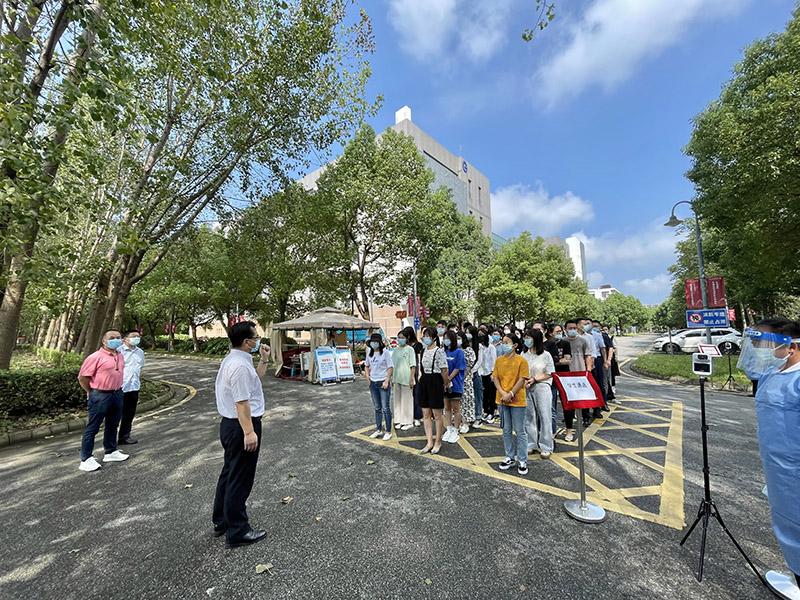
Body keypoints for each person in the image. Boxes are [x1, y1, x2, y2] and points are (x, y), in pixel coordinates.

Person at [737, 319, 800, 591]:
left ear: (792, 346)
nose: (757, 350)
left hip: (795, 470)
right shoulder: (773, 373)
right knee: (788, 528)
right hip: (778, 470)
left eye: (763, 345)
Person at [212, 321, 271, 548]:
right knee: (240, 478)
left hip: (232, 425)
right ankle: (237, 530)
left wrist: (264, 359)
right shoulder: (240, 367)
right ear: (247, 342)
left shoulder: (235, 360)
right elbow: (242, 402)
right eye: (256, 338)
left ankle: (222, 520)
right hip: (241, 425)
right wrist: (249, 432)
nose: (258, 340)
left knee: (229, 473)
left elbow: (254, 382)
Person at [77, 329, 129, 472]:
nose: (116, 340)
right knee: (92, 427)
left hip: (117, 393)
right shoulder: (95, 357)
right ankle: (86, 458)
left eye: (118, 337)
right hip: (100, 395)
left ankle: (110, 451)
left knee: (113, 424)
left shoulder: (120, 355)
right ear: (104, 341)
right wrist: (91, 392)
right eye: (112, 338)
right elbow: (82, 377)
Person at [492, 332, 529, 475]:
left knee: (520, 431)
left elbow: (522, 379)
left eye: (507, 342)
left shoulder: (521, 360)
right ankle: (509, 456)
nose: (504, 344)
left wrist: (511, 394)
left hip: (517, 399)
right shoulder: (499, 360)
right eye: (503, 341)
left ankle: (522, 459)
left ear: (514, 345)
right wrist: (503, 393)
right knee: (506, 430)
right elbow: (495, 377)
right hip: (502, 399)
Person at [522, 329, 555, 459]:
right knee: (529, 417)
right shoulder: (523, 354)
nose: (526, 340)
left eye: (529, 337)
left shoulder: (545, 355)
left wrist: (535, 379)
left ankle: (546, 446)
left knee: (545, 416)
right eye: (525, 337)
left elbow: (550, 372)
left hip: (542, 386)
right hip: (526, 387)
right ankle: (531, 444)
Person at [418, 327, 449, 454]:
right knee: (426, 413)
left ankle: (437, 442)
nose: (425, 338)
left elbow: (444, 369)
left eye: (428, 336)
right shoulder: (423, 350)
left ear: (434, 337)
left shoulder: (439, 351)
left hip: (436, 381)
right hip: (425, 380)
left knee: (437, 414)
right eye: (424, 335)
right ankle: (429, 442)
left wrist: (445, 383)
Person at [563, 320, 592, 440]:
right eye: (570, 328)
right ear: (565, 329)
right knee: (569, 404)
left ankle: (585, 418)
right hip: (566, 377)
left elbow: (588, 356)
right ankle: (569, 430)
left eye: (574, 328)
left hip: (580, 375)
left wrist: (588, 371)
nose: (572, 330)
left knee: (583, 401)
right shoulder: (563, 342)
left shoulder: (582, 341)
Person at [118, 329, 145, 445]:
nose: (136, 338)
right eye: (133, 336)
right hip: (120, 387)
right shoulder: (118, 352)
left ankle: (124, 437)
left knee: (129, 414)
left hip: (134, 387)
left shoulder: (140, 352)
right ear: (125, 339)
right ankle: (109, 440)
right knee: (115, 414)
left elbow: (140, 367)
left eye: (138, 336)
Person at [365, 332, 394, 441]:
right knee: (377, 407)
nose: (374, 344)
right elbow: (366, 366)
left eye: (376, 342)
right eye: (372, 342)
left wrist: (387, 380)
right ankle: (378, 429)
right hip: (373, 382)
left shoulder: (385, 353)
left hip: (382, 382)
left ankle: (388, 431)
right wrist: (367, 377)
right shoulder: (369, 353)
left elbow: (390, 367)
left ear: (380, 343)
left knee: (385, 408)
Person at [442, 330, 466, 443]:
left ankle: (456, 429)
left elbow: (458, 367)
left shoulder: (459, 352)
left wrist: (449, 378)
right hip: (445, 384)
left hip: (455, 384)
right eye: (444, 338)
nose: (445, 340)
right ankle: (449, 428)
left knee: (456, 407)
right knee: (447, 407)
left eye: (447, 338)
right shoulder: (444, 352)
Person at [391, 329, 416, 431]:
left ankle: (408, 421)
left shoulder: (410, 349)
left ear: (406, 339)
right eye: (399, 337)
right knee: (397, 401)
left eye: (402, 338)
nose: (400, 340)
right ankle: (398, 420)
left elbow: (412, 365)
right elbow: (392, 365)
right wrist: (392, 379)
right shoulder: (395, 350)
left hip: (406, 378)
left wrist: (411, 379)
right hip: (397, 378)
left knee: (407, 401)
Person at [550, 324, 571, 435]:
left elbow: (567, 360)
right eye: (557, 331)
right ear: (550, 333)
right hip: (551, 377)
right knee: (552, 406)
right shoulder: (548, 344)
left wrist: (553, 362)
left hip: (564, 376)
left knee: (566, 404)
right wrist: (559, 360)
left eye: (560, 331)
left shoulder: (565, 343)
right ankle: (553, 431)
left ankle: (569, 430)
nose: (560, 333)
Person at [587, 319, 608, 415]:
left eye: (589, 324)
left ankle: (602, 404)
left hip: (597, 359)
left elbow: (602, 348)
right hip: (585, 360)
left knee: (599, 384)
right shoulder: (580, 336)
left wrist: (605, 361)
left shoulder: (597, 336)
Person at [457, 330, 476, 433]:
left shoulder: (468, 351)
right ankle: (457, 422)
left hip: (465, 380)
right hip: (454, 380)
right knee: (456, 403)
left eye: (459, 338)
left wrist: (461, 378)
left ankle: (465, 422)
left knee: (466, 401)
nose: (457, 341)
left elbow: (468, 367)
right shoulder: (453, 350)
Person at [477, 330, 498, 423]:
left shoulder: (491, 347)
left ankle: (491, 412)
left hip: (489, 373)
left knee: (491, 393)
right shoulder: (479, 347)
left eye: (482, 335)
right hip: (481, 372)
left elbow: (493, 360)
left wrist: (493, 373)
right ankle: (485, 410)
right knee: (484, 393)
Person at [466, 325, 483, 428]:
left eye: (469, 332)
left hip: (476, 374)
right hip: (467, 374)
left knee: (477, 395)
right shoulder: (465, 346)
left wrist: (471, 371)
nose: (467, 334)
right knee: (468, 397)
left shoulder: (479, 346)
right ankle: (469, 416)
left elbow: (479, 361)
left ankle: (478, 416)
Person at [600, 324, 619, 404]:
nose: (604, 331)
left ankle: (608, 396)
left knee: (608, 379)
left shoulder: (608, 337)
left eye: (606, 329)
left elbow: (612, 348)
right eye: (603, 329)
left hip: (607, 361)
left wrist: (608, 360)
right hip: (599, 361)